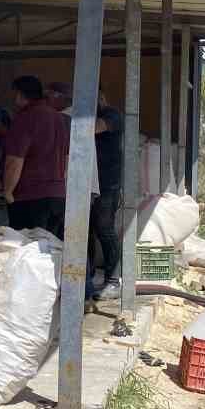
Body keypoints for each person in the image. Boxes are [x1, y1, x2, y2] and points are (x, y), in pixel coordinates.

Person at [1, 75, 68, 238]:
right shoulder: (58, 117)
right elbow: (66, 156)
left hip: (30, 197)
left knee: (27, 251)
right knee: (51, 250)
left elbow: (15, 160)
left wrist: (8, 191)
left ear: (20, 94)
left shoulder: (25, 118)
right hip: (57, 196)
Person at [91, 91, 127, 299]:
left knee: (105, 229)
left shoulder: (112, 115)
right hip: (92, 183)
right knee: (89, 231)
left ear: (101, 97)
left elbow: (96, 128)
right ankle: (91, 276)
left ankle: (114, 280)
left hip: (108, 185)